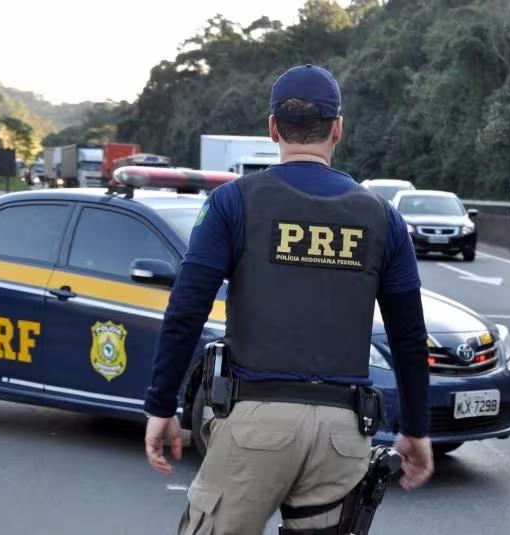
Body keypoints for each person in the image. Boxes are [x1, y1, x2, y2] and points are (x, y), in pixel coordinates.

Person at [143, 64, 434, 534]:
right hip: (343, 434)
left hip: (254, 423)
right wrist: (417, 430)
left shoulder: (232, 203)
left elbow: (187, 310)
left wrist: (162, 406)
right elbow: (409, 336)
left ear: (273, 128)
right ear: (337, 129)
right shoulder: (382, 218)